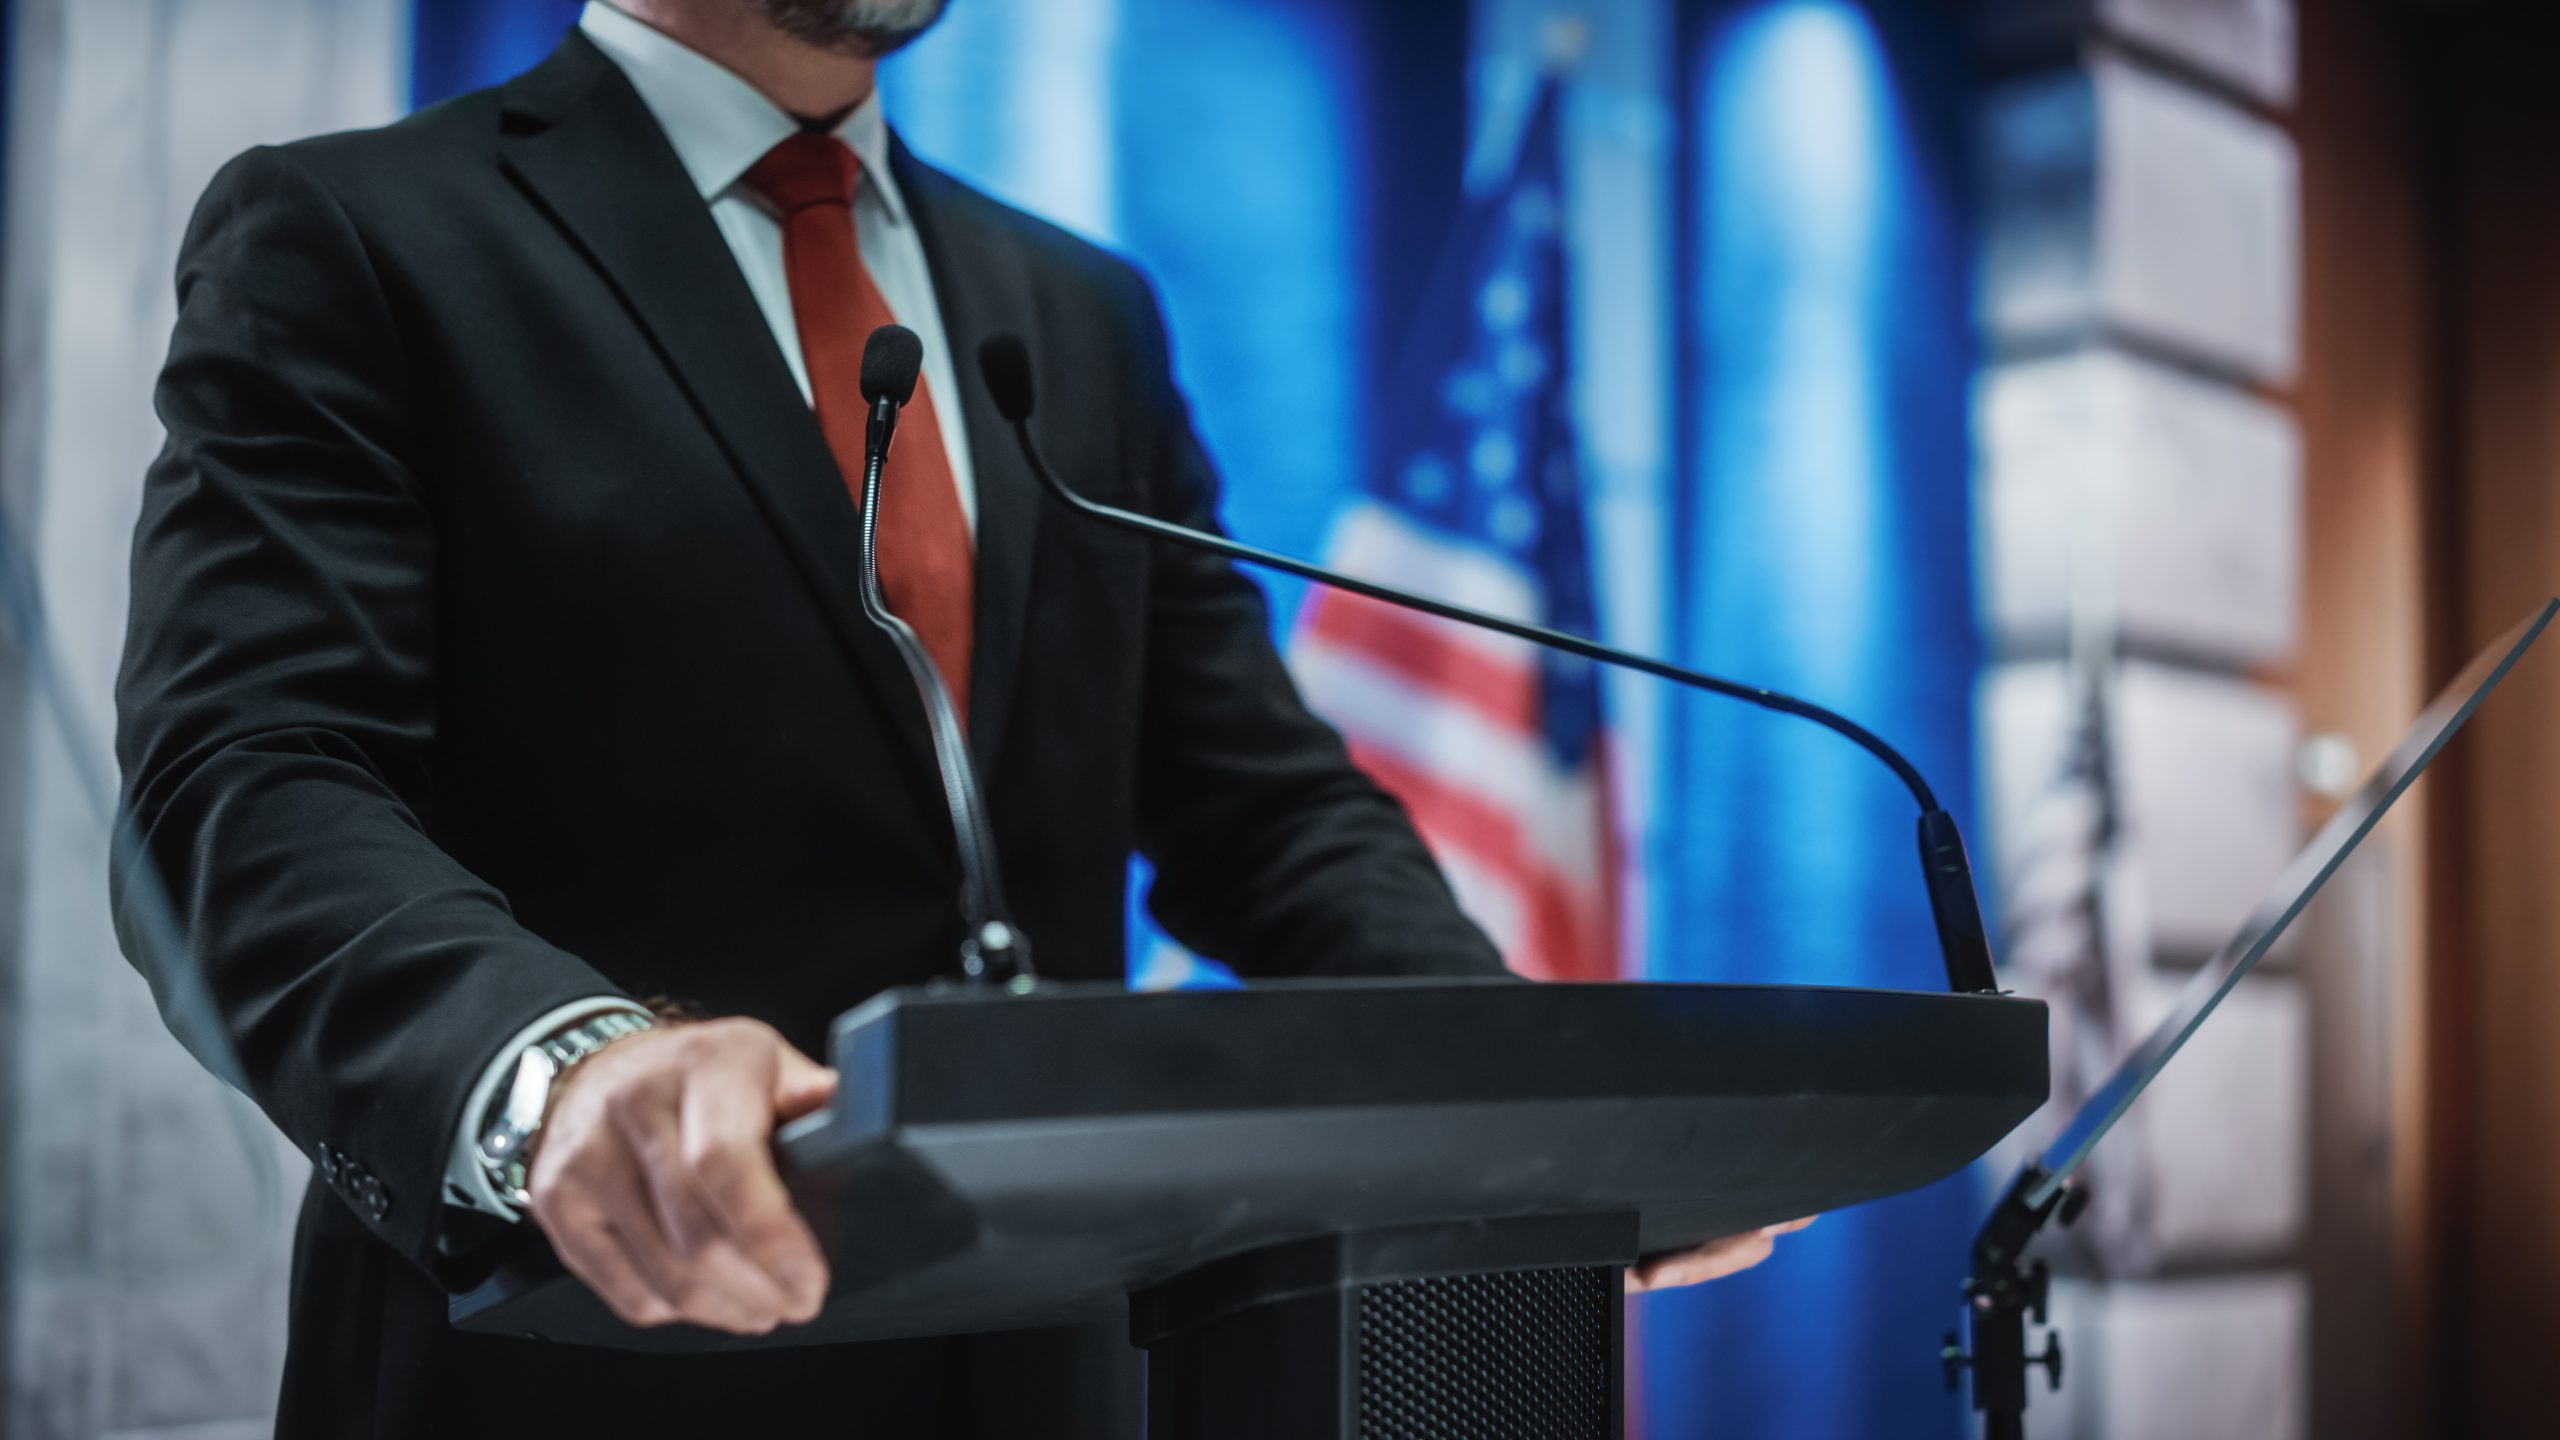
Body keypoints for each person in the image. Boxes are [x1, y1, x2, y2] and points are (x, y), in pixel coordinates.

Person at [114, 1, 1809, 1434]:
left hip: (1049, 1358)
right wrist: (565, 1073)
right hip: (574, 1349)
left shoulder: (1074, 308)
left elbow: (1258, 808)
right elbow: (247, 780)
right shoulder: (353, 234)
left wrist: (1517, 1095)